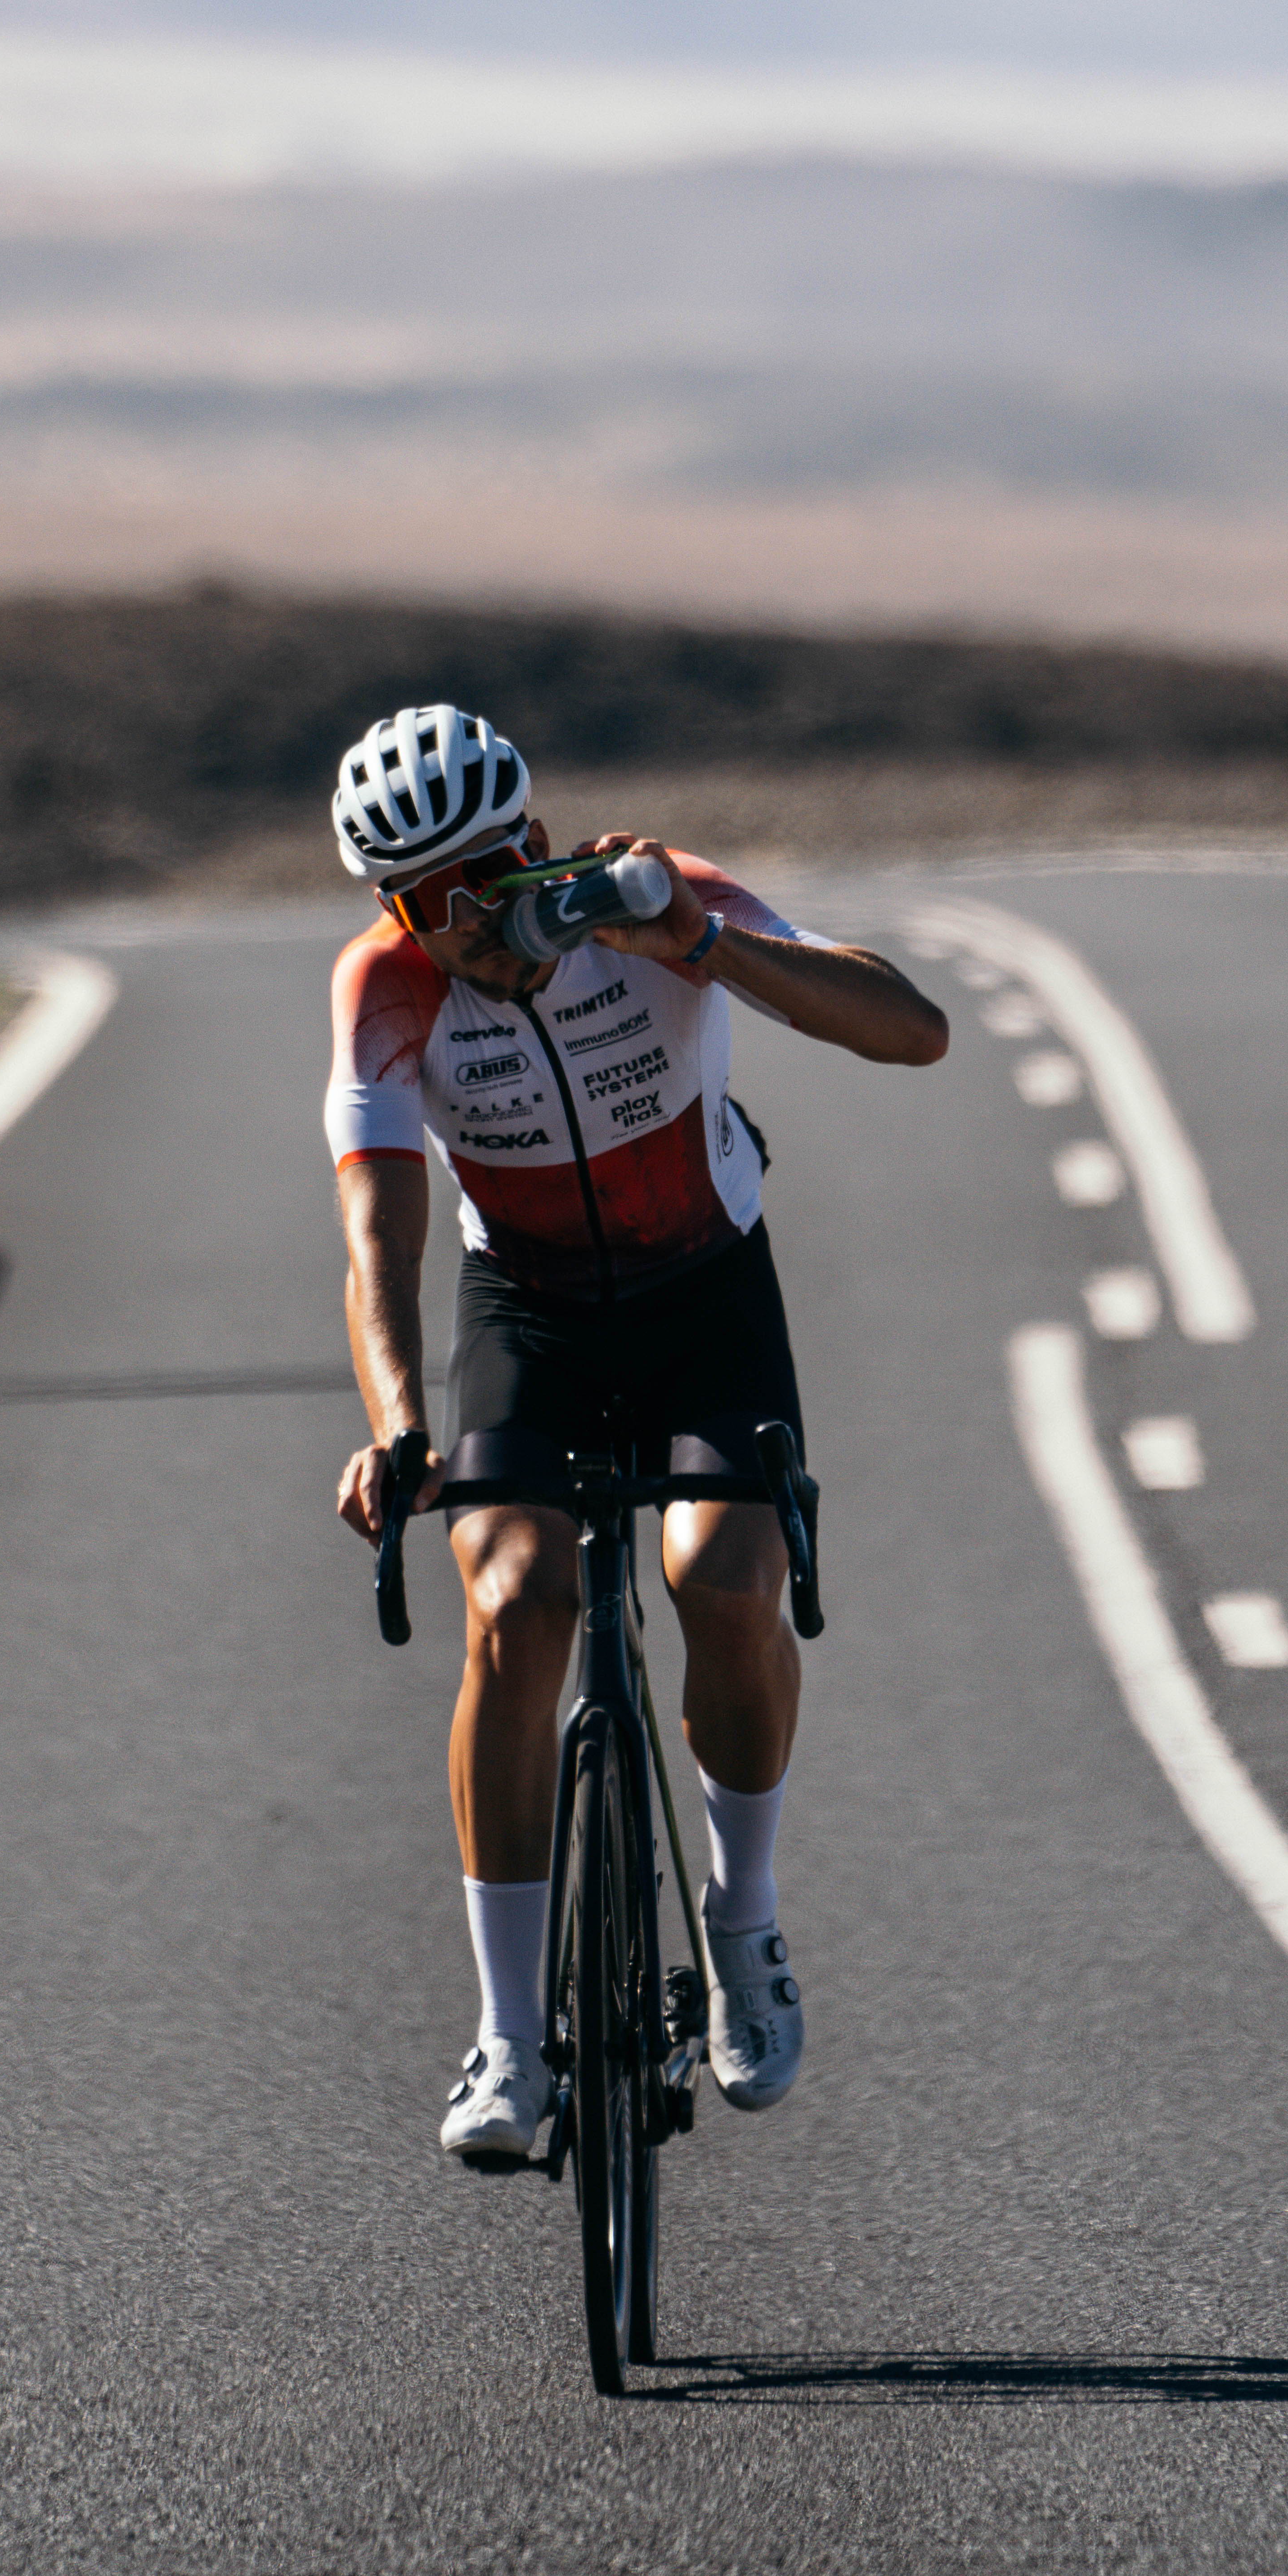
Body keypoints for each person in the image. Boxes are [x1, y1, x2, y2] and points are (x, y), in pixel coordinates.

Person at [326, 698, 950, 2167]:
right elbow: (378, 1229)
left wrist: (701, 948)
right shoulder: (388, 990)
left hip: (704, 1296)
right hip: (528, 1317)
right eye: (432, 901)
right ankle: (507, 2039)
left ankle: (745, 1931)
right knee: (512, 1598)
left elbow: (911, 1033)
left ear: (538, 840)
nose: (477, 922)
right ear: (390, 905)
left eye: (496, 873)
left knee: (723, 1581)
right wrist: (401, 1422)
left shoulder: (656, 898)